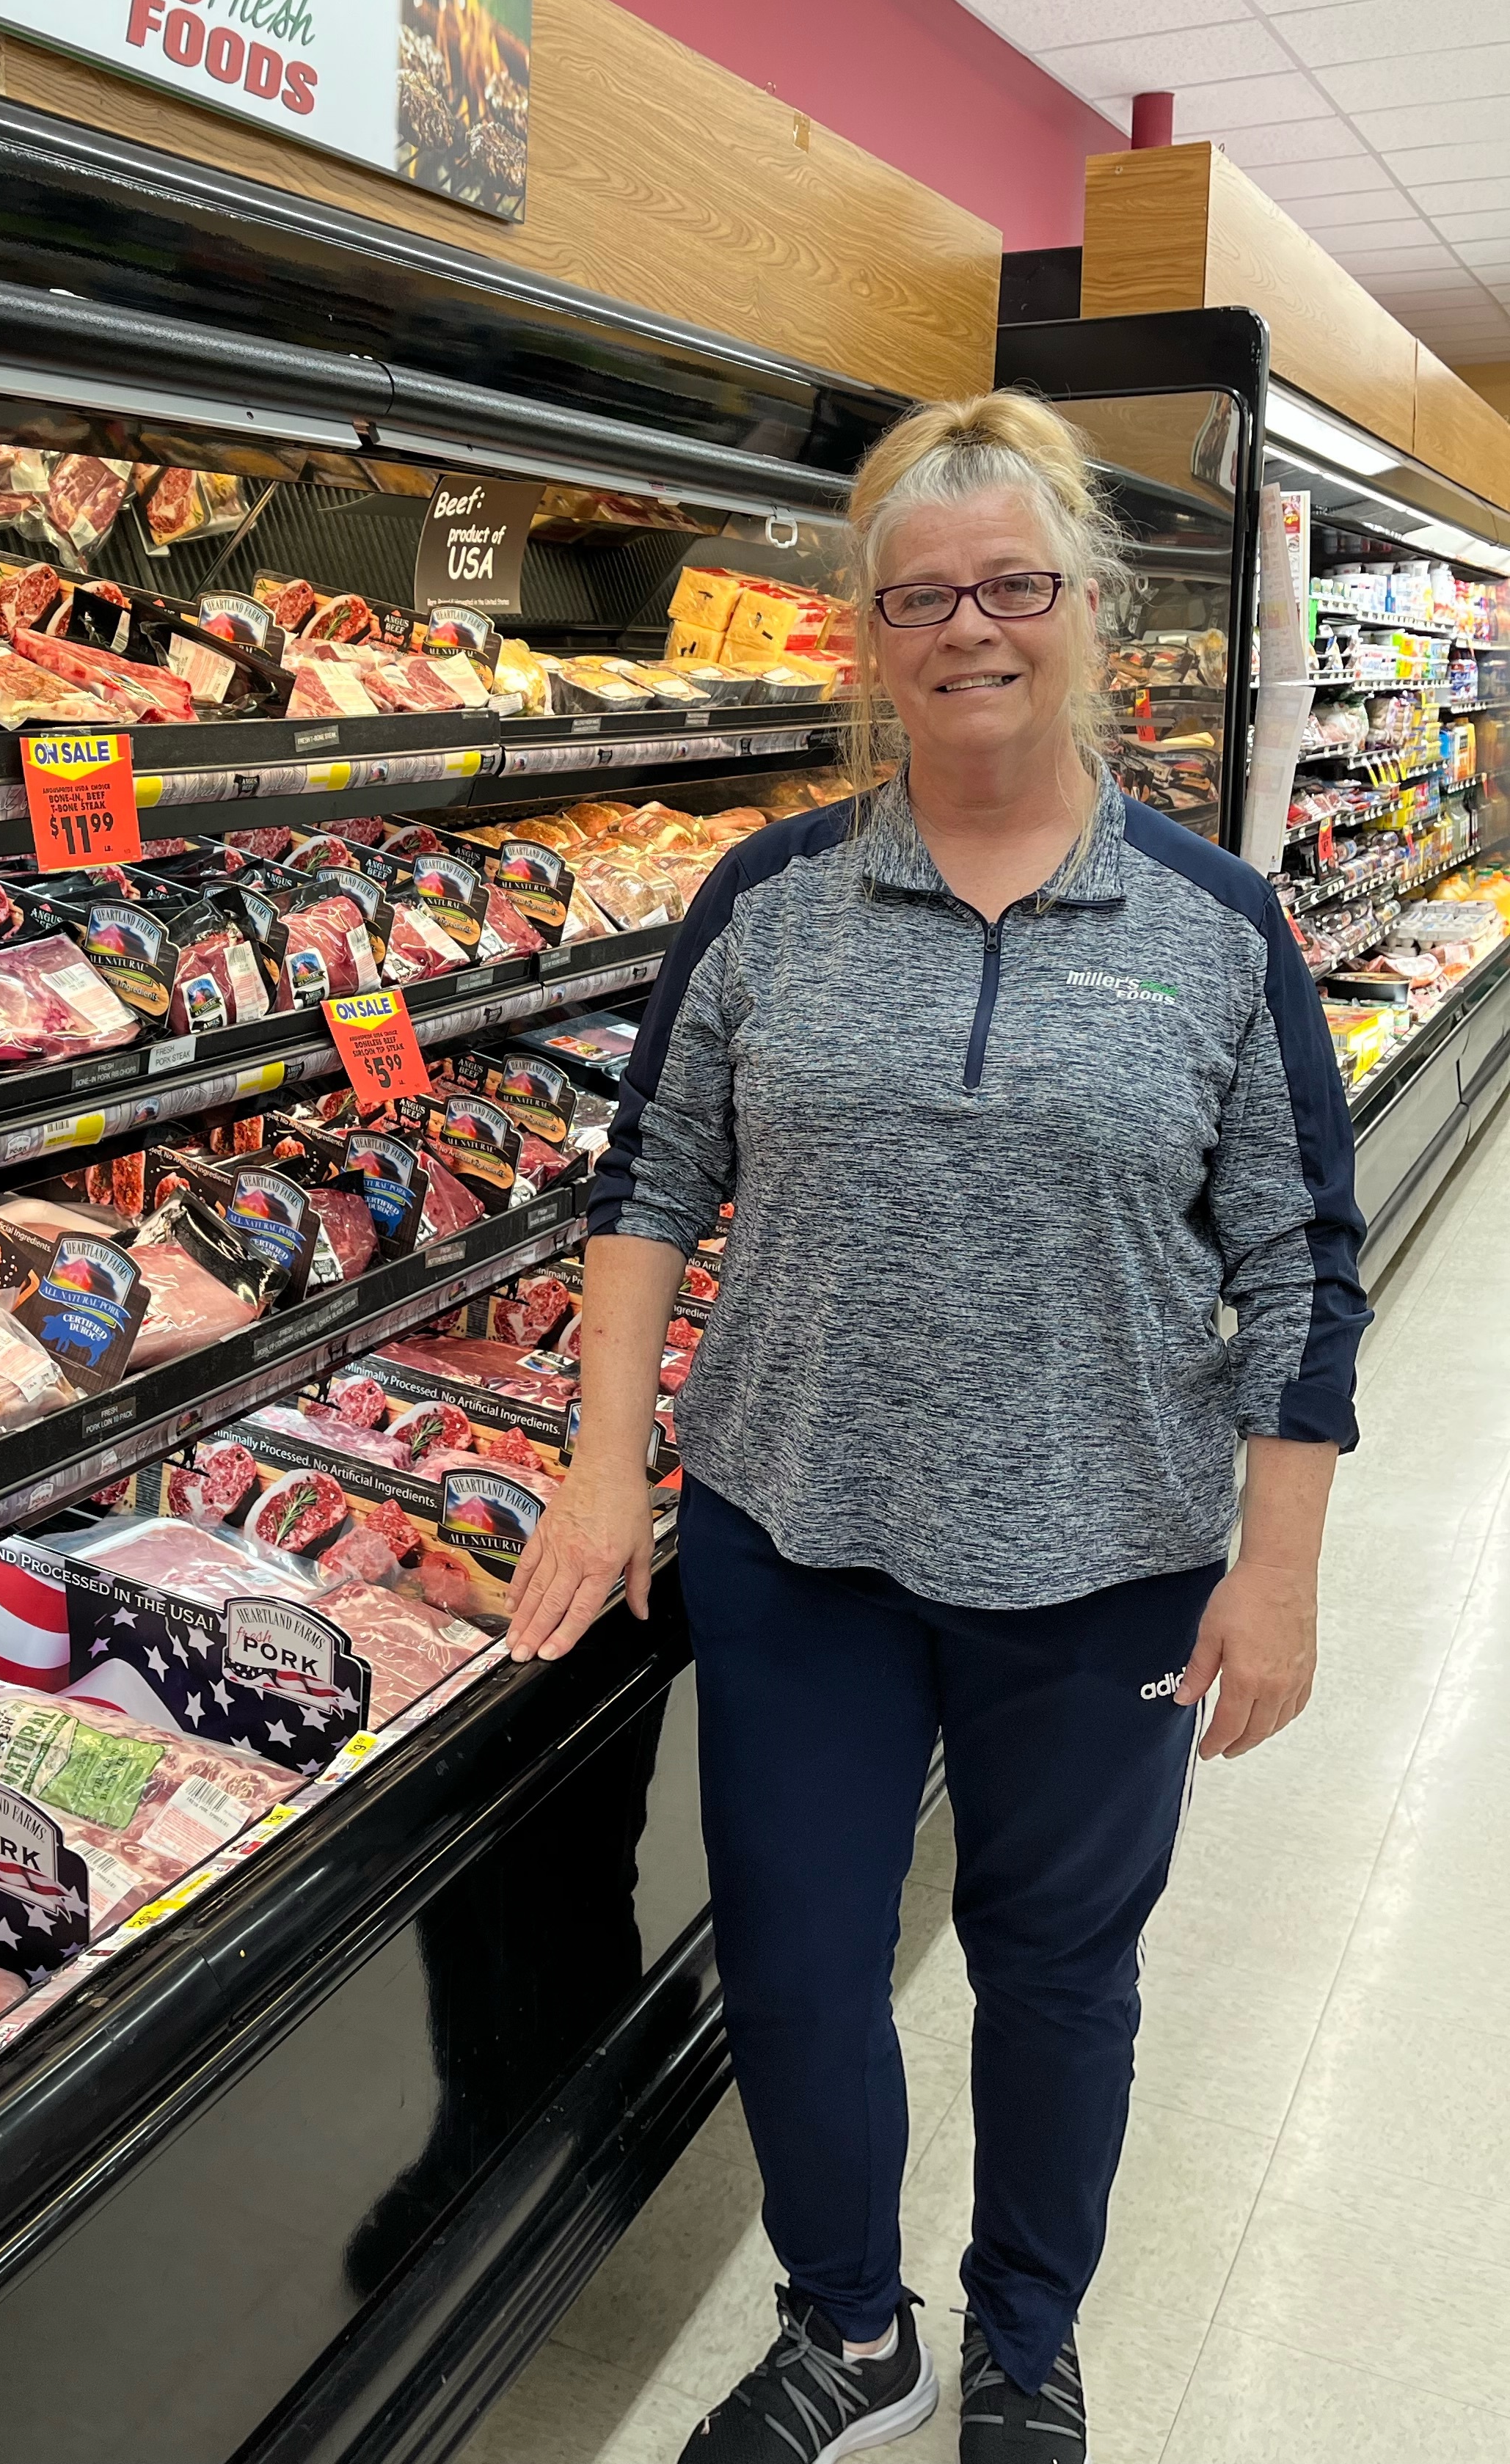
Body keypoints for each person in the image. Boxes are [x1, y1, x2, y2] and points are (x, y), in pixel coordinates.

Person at [506, 392, 1367, 2463]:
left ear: (1090, 612)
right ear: (868, 636)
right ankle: (850, 2328)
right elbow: (648, 1186)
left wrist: (1278, 1575)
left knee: (1056, 1971)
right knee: (799, 1963)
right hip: (797, 1537)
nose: (970, 628)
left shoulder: (1215, 927)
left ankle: (1024, 2336)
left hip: (1107, 1559)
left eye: (1013, 586)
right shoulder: (770, 898)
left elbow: (1302, 1265)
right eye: (922, 598)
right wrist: (606, 1471)